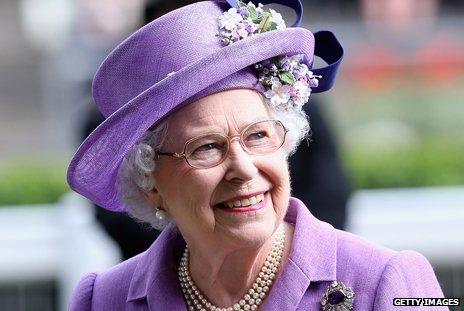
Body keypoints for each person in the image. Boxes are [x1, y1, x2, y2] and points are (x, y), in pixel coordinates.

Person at [67, 1, 446, 310]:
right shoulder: (102, 300)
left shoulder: (391, 283)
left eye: (258, 136)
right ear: (150, 183)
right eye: (207, 147)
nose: (244, 169)